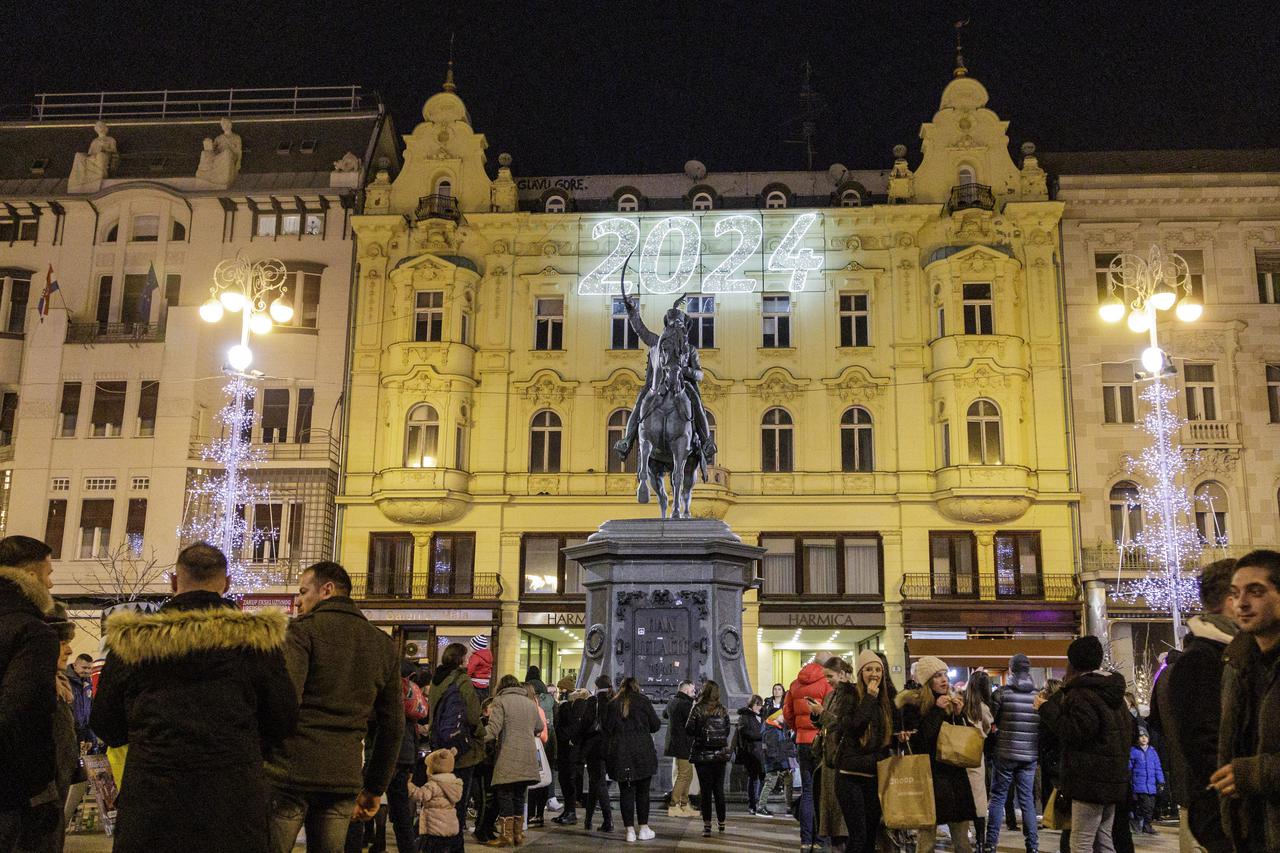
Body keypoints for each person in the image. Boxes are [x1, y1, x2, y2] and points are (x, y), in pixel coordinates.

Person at [90, 542, 298, 853]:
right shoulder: (258, 643)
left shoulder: (134, 642)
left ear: (174, 582)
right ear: (226, 584)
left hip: (153, 798)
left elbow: (106, 723)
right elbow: (283, 719)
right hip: (233, 798)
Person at [264, 561, 403, 853]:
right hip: (343, 775)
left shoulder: (302, 632)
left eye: (303, 592)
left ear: (326, 589)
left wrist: (265, 756)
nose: (299, 601)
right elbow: (392, 725)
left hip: (291, 771)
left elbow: (285, 701)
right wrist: (375, 787)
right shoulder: (382, 644)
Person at [1151, 558, 1235, 853]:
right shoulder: (1203, 660)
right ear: (1231, 599)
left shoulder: (1240, 651)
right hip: (1225, 807)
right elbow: (1203, 741)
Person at [1036, 635, 1131, 853]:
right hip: (1113, 778)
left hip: (1089, 780)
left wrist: (1045, 708)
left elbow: (1073, 731)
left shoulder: (1082, 693)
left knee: (1081, 843)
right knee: (1104, 839)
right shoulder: (1114, 693)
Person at [1212, 550, 1280, 851]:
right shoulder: (1236, 664)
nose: (1242, 604)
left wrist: (1256, 773)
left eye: (1256, 592)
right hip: (1249, 834)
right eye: (1235, 593)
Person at [0, 536, 59, 851]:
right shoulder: (33, 633)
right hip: (14, 793)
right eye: (49, 574)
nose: (50, 584)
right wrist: (39, 790)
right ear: (33, 577)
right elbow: (21, 713)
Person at [897, 655, 976, 853]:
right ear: (926, 680)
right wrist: (937, 711)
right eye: (937, 676)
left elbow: (965, 742)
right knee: (926, 840)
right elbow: (920, 742)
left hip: (954, 778)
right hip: (929, 777)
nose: (944, 680)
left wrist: (960, 714)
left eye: (945, 675)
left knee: (962, 842)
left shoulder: (952, 702)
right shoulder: (912, 705)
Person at [830, 650, 893, 853]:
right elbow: (852, 727)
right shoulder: (849, 695)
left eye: (877, 669)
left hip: (874, 775)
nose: (874, 674)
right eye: (868, 669)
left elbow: (886, 737)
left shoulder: (886, 700)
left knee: (869, 839)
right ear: (860, 672)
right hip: (850, 776)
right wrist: (868, 699)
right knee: (858, 837)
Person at [429, 642, 485, 846]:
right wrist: (480, 734)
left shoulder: (436, 681)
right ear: (460, 659)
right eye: (467, 657)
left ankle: (437, 842)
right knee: (458, 801)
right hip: (460, 749)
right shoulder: (462, 680)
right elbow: (472, 715)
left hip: (439, 747)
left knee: (440, 799)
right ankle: (454, 844)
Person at [985, 654, 1040, 853]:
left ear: (1011, 669)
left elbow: (990, 719)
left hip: (1005, 752)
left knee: (998, 797)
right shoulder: (1038, 695)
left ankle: (991, 843)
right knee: (1026, 800)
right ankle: (1032, 846)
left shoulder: (1002, 693)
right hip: (1029, 755)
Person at [484, 674, 544, 847]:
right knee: (519, 794)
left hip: (508, 755)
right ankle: (518, 834)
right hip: (527, 756)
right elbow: (539, 727)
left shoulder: (500, 701)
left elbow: (493, 730)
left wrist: (477, 735)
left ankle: (506, 836)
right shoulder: (529, 702)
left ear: (501, 686)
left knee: (504, 794)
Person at [603, 677, 661, 842]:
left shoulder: (613, 704)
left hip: (621, 754)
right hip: (642, 753)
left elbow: (607, 729)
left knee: (626, 793)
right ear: (636, 687)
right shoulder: (643, 701)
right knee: (643, 793)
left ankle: (629, 831)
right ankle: (643, 828)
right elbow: (655, 725)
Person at [785, 659, 832, 851]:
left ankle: (805, 841)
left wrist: (798, 728)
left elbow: (787, 712)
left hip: (802, 741)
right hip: (821, 742)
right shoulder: (826, 684)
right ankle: (820, 841)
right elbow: (829, 714)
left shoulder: (795, 684)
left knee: (807, 792)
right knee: (822, 792)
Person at [811, 658, 854, 846]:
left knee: (841, 816)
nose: (827, 680)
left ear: (842, 674)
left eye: (830, 676)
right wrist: (815, 714)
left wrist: (822, 713)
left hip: (840, 758)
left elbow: (842, 724)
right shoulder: (831, 695)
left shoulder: (851, 696)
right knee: (830, 813)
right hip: (828, 758)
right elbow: (825, 722)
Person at [686, 679, 733, 837]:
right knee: (719, 790)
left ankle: (707, 826)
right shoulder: (723, 709)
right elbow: (726, 731)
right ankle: (722, 823)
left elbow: (689, 729)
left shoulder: (697, 709)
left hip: (702, 755)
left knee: (705, 792)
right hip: (719, 755)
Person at [575, 675, 615, 833]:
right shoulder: (614, 701)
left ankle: (608, 820)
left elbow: (585, 723)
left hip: (594, 747)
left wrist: (577, 739)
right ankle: (588, 819)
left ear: (597, 686)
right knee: (595, 782)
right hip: (609, 747)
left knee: (598, 782)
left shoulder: (593, 701)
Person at [961, 670, 994, 853]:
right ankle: (980, 841)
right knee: (979, 800)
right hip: (976, 756)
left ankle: (964, 835)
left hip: (959, 755)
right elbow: (988, 728)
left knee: (964, 798)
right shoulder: (983, 708)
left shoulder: (962, 704)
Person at [409, 747, 464, 853]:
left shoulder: (433, 784)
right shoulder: (454, 784)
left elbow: (421, 795)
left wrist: (409, 786)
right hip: (449, 827)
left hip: (434, 827)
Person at [662, 680, 697, 818]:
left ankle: (684, 803)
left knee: (686, 774)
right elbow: (692, 724)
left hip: (674, 744)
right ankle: (674, 804)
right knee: (685, 774)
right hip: (684, 744)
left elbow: (665, 714)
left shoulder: (672, 702)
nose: (694, 693)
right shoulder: (687, 704)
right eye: (693, 690)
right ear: (686, 690)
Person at [551, 681, 583, 826]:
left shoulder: (569, 707)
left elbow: (569, 727)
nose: (559, 691)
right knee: (564, 781)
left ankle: (571, 812)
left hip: (568, 751)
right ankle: (568, 811)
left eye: (561, 689)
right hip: (565, 750)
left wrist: (564, 737)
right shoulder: (566, 706)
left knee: (568, 781)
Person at [523, 682, 551, 828]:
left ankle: (533, 815)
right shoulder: (538, 708)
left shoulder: (532, 709)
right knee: (537, 782)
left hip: (534, 748)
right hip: (539, 747)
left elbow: (542, 732)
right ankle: (536, 815)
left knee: (535, 781)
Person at [734, 695, 767, 816]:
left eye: (760, 704)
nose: (759, 707)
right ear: (751, 705)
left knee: (764, 778)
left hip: (762, 752)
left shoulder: (762, 716)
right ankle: (752, 804)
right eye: (756, 704)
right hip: (751, 752)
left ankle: (761, 804)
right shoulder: (745, 716)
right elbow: (744, 732)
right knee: (753, 779)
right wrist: (760, 735)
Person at [1128, 730, 1163, 835]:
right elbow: (1129, 768)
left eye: (1145, 736)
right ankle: (1146, 826)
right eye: (1141, 736)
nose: (1143, 738)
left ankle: (1142, 824)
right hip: (1139, 785)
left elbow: (1157, 767)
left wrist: (1161, 781)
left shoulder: (1153, 751)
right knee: (1145, 807)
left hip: (1151, 786)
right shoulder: (1133, 751)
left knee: (1150, 806)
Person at [761, 709, 795, 814]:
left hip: (781, 762)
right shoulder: (771, 730)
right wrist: (778, 762)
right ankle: (761, 806)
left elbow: (784, 745)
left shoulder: (779, 729)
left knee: (788, 781)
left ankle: (789, 807)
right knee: (770, 783)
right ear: (774, 717)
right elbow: (771, 750)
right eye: (781, 715)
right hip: (775, 763)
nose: (783, 716)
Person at [65, 654, 94, 752]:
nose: (87, 671)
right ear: (75, 665)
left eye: (90, 668)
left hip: (84, 733)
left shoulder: (88, 682)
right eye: (84, 667)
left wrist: (89, 737)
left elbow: (89, 708)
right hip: (69, 733)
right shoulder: (64, 680)